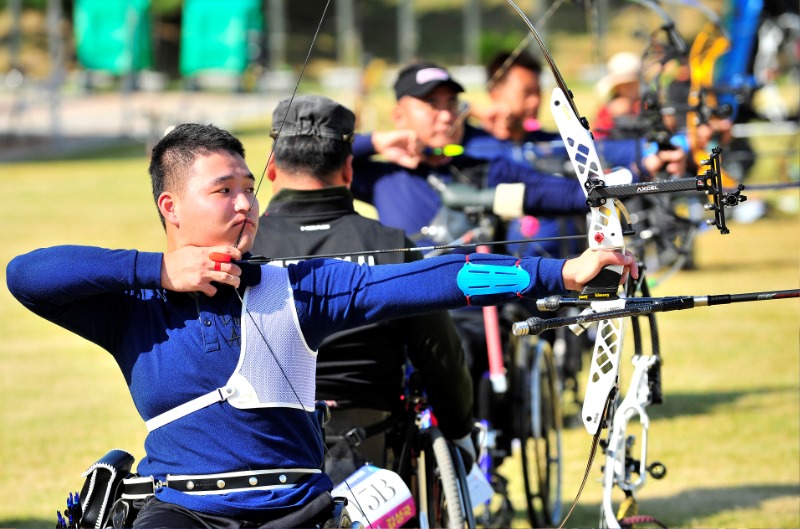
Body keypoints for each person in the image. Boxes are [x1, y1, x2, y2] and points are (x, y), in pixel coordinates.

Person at [6, 119, 637, 528]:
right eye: (223, 190)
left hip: (298, 510)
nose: (247, 203)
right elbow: (27, 274)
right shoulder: (133, 304)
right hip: (185, 511)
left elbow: (444, 277)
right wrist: (159, 271)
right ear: (171, 206)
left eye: (248, 188)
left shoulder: (299, 286)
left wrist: (562, 275)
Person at [251, 95, 474, 483]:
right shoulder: (391, 244)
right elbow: (441, 354)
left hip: (263, 445)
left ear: (271, 169)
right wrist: (459, 430)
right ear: (350, 169)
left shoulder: (241, 250)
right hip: (374, 449)